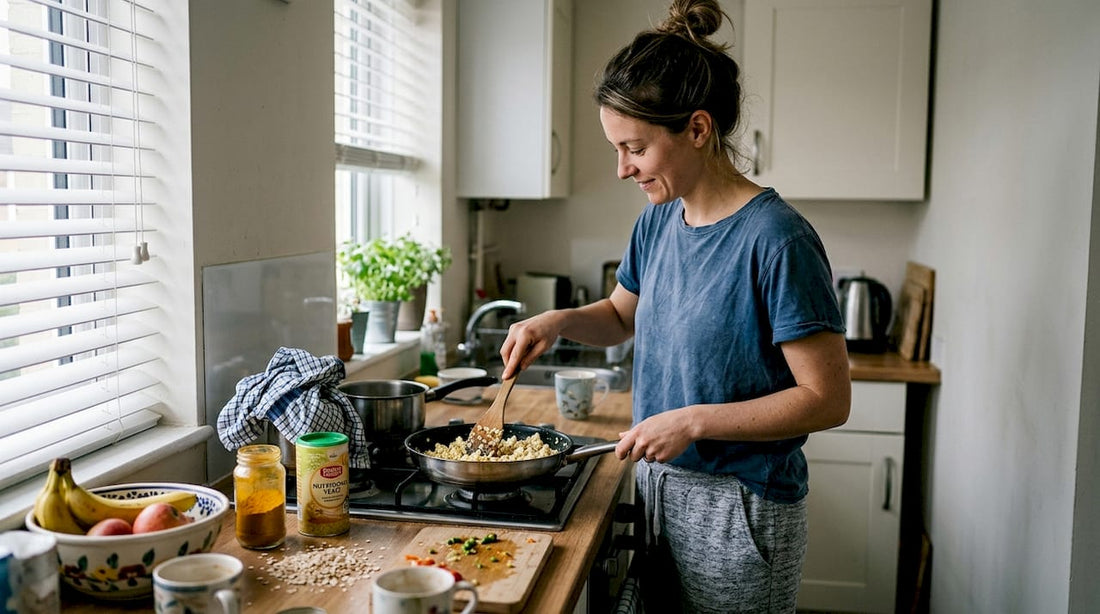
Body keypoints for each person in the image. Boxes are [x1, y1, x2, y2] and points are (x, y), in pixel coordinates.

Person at [497, 0, 851, 612]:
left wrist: (692, 422)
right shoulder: (659, 220)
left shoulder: (777, 240)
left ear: (698, 129)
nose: (622, 169)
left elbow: (827, 399)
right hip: (660, 488)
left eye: (634, 147)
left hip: (739, 506)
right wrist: (556, 321)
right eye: (616, 149)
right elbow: (620, 316)